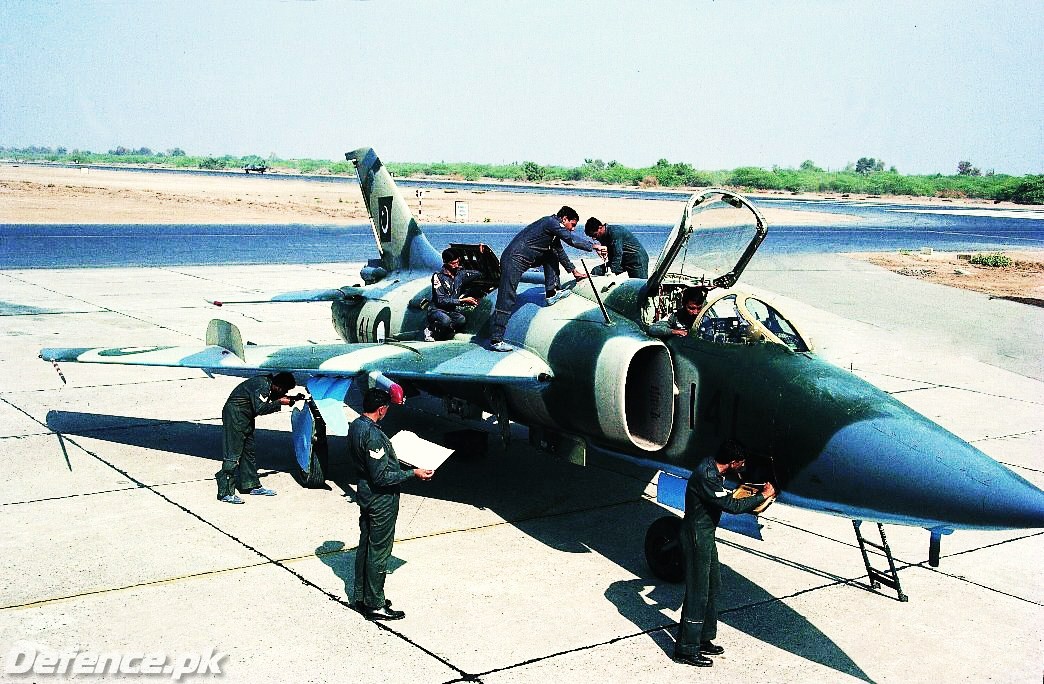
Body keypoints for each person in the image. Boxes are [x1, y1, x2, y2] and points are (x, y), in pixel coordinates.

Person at [674, 440, 776, 667]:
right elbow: (733, 507)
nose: (743, 465)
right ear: (732, 462)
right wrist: (763, 496)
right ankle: (686, 649)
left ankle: (703, 638)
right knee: (698, 592)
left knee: (713, 585)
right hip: (696, 536)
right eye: (741, 462)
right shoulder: (708, 475)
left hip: (705, 534)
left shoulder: (713, 467)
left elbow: (724, 497)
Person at [349, 388, 434, 620]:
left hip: (366, 495)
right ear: (382, 409)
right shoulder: (374, 436)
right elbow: (381, 477)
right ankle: (375, 604)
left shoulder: (356, 426)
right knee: (379, 551)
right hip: (380, 499)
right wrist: (412, 473)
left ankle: (362, 596)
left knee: (365, 546)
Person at [488, 206, 607, 352]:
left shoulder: (553, 230)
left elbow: (559, 251)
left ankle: (551, 293)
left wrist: (574, 271)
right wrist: (593, 246)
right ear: (564, 219)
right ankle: (496, 340)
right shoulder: (551, 223)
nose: (573, 229)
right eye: (573, 224)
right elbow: (571, 239)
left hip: (526, 259)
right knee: (507, 298)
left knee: (551, 254)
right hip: (514, 260)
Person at [217, 372, 301, 504]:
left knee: (248, 452)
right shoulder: (262, 386)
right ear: (279, 386)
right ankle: (226, 493)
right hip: (235, 417)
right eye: (285, 389)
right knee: (233, 453)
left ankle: (251, 485)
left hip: (245, 417)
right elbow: (260, 408)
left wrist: (290, 398)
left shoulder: (268, 385)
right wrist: (280, 402)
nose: (284, 392)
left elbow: (266, 399)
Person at [425, 247, 482, 341]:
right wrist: (462, 300)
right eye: (453, 263)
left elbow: (478, 273)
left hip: (450, 310)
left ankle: (443, 332)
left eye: (457, 262)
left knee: (461, 320)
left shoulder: (460, 275)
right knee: (445, 320)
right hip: (436, 310)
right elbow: (440, 300)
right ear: (445, 262)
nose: (456, 266)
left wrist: (480, 255)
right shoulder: (438, 277)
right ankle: (429, 330)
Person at [583, 217, 649, 278]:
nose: (594, 238)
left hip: (636, 260)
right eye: (592, 236)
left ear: (600, 227)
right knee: (596, 271)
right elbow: (611, 254)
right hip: (622, 261)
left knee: (639, 285)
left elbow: (618, 253)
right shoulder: (602, 235)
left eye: (595, 235)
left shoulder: (615, 232)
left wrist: (611, 272)